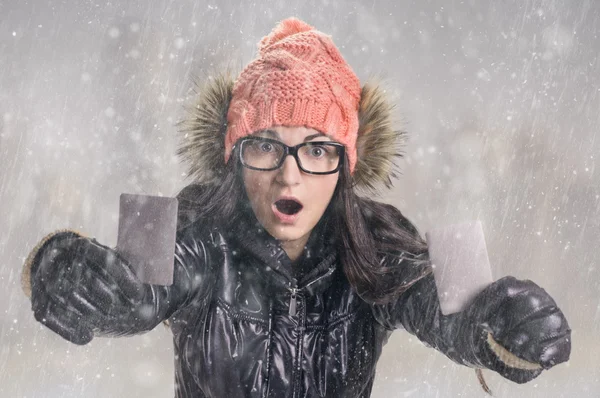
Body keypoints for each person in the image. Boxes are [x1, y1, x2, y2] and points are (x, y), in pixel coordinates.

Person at [22, 17, 571, 398]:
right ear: (235, 157)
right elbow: (131, 292)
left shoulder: (376, 242)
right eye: (265, 145)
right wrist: (61, 266)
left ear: (345, 165)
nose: (290, 174)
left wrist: (502, 322)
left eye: (316, 149)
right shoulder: (196, 230)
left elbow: (449, 312)